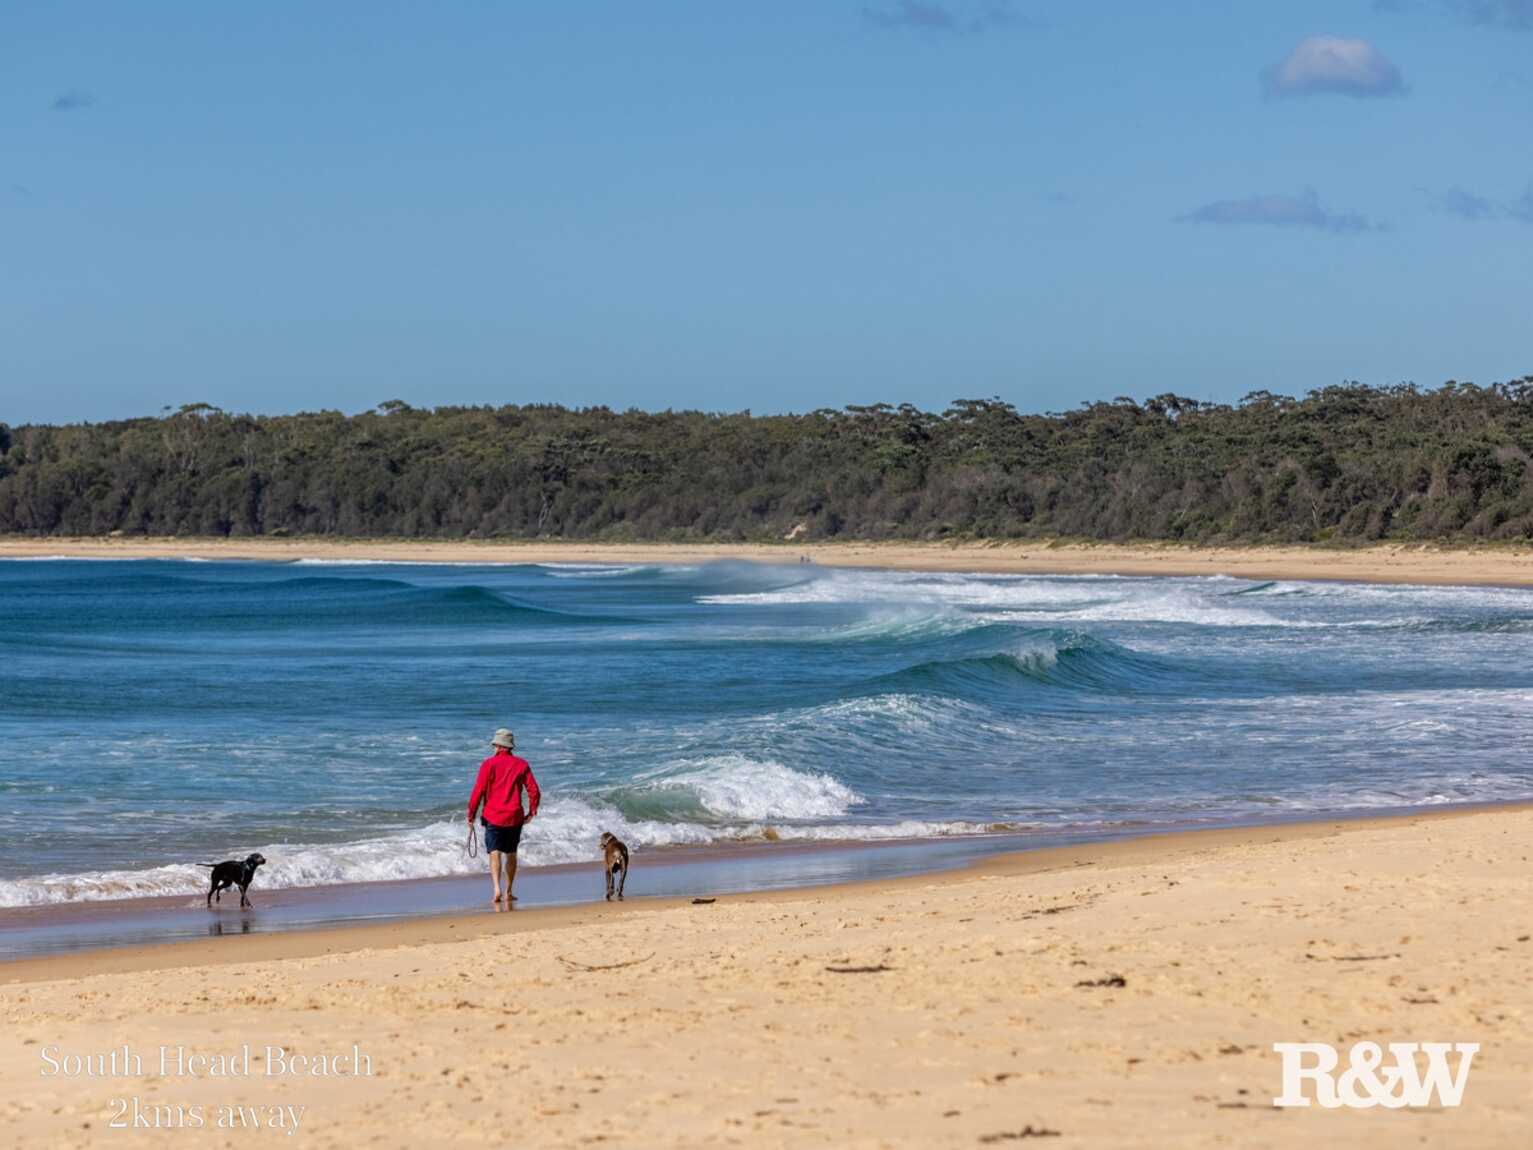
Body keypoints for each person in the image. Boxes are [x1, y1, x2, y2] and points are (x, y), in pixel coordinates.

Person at [466, 728, 540, 905]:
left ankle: (496, 889)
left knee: (495, 852)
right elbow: (534, 790)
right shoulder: (522, 764)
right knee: (512, 853)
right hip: (514, 816)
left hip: (493, 815)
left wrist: (471, 814)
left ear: (498, 746)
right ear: (510, 747)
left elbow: (478, 791)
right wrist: (532, 811)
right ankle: (509, 890)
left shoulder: (488, 764)